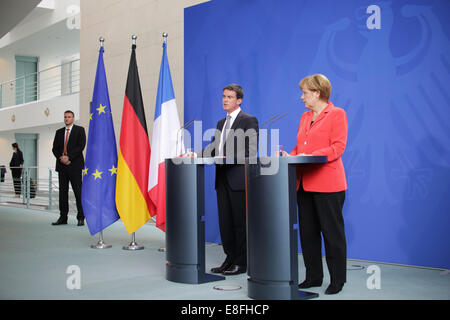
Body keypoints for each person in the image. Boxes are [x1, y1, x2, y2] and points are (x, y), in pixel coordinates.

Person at [281, 74, 348, 294]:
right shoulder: (304, 117)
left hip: (328, 185)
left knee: (332, 234)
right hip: (304, 184)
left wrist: (312, 156)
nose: (301, 97)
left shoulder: (337, 114)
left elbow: (338, 147)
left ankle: (337, 280)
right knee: (308, 234)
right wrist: (288, 155)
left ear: (317, 93)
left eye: (305, 93)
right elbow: (300, 147)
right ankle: (313, 277)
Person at [203, 84, 259, 276]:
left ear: (239, 100)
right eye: (224, 96)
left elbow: (250, 150)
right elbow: (214, 147)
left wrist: (229, 156)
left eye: (230, 97)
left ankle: (242, 262)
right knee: (225, 223)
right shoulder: (221, 123)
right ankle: (230, 258)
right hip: (222, 179)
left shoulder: (249, 120)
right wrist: (196, 155)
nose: (225, 100)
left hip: (238, 179)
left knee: (239, 223)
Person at [51, 110, 86, 226]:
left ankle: (81, 217)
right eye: (65, 117)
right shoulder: (59, 132)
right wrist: (61, 157)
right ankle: (63, 217)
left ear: (73, 118)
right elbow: (54, 148)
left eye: (69, 117)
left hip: (74, 166)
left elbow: (81, 146)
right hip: (62, 167)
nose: (67, 119)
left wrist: (69, 157)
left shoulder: (79, 130)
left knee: (78, 192)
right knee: (63, 193)